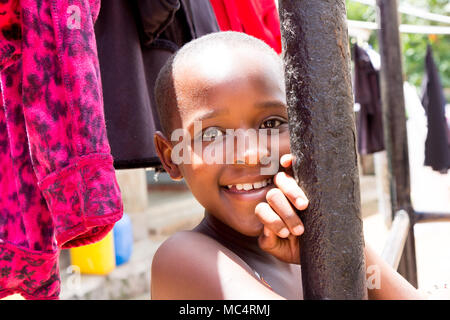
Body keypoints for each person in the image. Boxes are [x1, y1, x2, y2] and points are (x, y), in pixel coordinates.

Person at [150, 31, 427, 300]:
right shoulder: (182, 259)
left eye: (271, 124)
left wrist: (335, 238)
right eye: (211, 134)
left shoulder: (305, 244)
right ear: (170, 157)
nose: (251, 154)